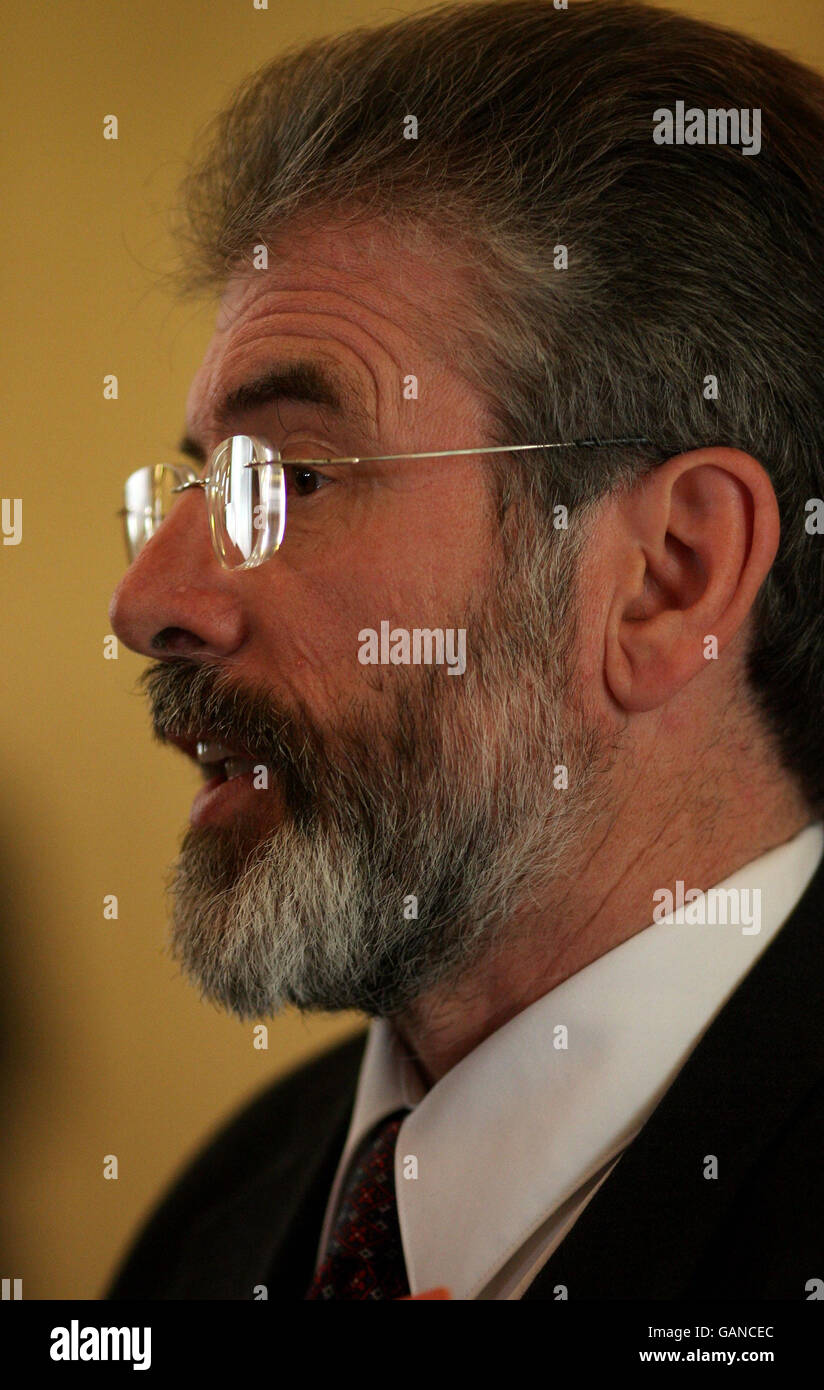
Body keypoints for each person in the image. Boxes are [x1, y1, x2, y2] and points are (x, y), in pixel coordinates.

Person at [105, 0, 824, 1300]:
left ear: (669, 577)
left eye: (294, 478)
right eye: (198, 485)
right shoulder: (218, 1218)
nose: (147, 598)